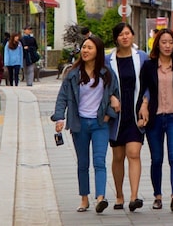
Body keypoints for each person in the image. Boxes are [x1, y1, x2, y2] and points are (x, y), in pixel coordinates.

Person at [52, 35, 121, 214]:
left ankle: (100, 198)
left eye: (90, 48)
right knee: (83, 163)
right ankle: (84, 198)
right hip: (79, 124)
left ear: (98, 51)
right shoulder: (73, 73)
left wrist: (108, 115)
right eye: (84, 47)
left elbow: (116, 96)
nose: (85, 51)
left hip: (100, 124)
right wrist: (59, 118)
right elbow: (62, 97)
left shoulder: (107, 73)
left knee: (99, 161)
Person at [137, 28, 173, 212]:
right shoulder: (148, 66)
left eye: (171, 42)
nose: (167, 46)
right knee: (157, 159)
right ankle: (157, 196)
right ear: (157, 44)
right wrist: (143, 107)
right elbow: (143, 90)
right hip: (155, 118)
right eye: (164, 42)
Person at [107, 22, 149, 211]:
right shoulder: (108, 60)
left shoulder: (142, 57)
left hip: (135, 112)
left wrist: (146, 103)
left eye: (127, 33)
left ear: (132, 35)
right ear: (116, 38)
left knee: (134, 153)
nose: (125, 37)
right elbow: (103, 83)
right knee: (118, 156)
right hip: (117, 115)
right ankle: (119, 195)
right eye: (121, 34)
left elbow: (150, 83)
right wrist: (111, 97)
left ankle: (134, 196)